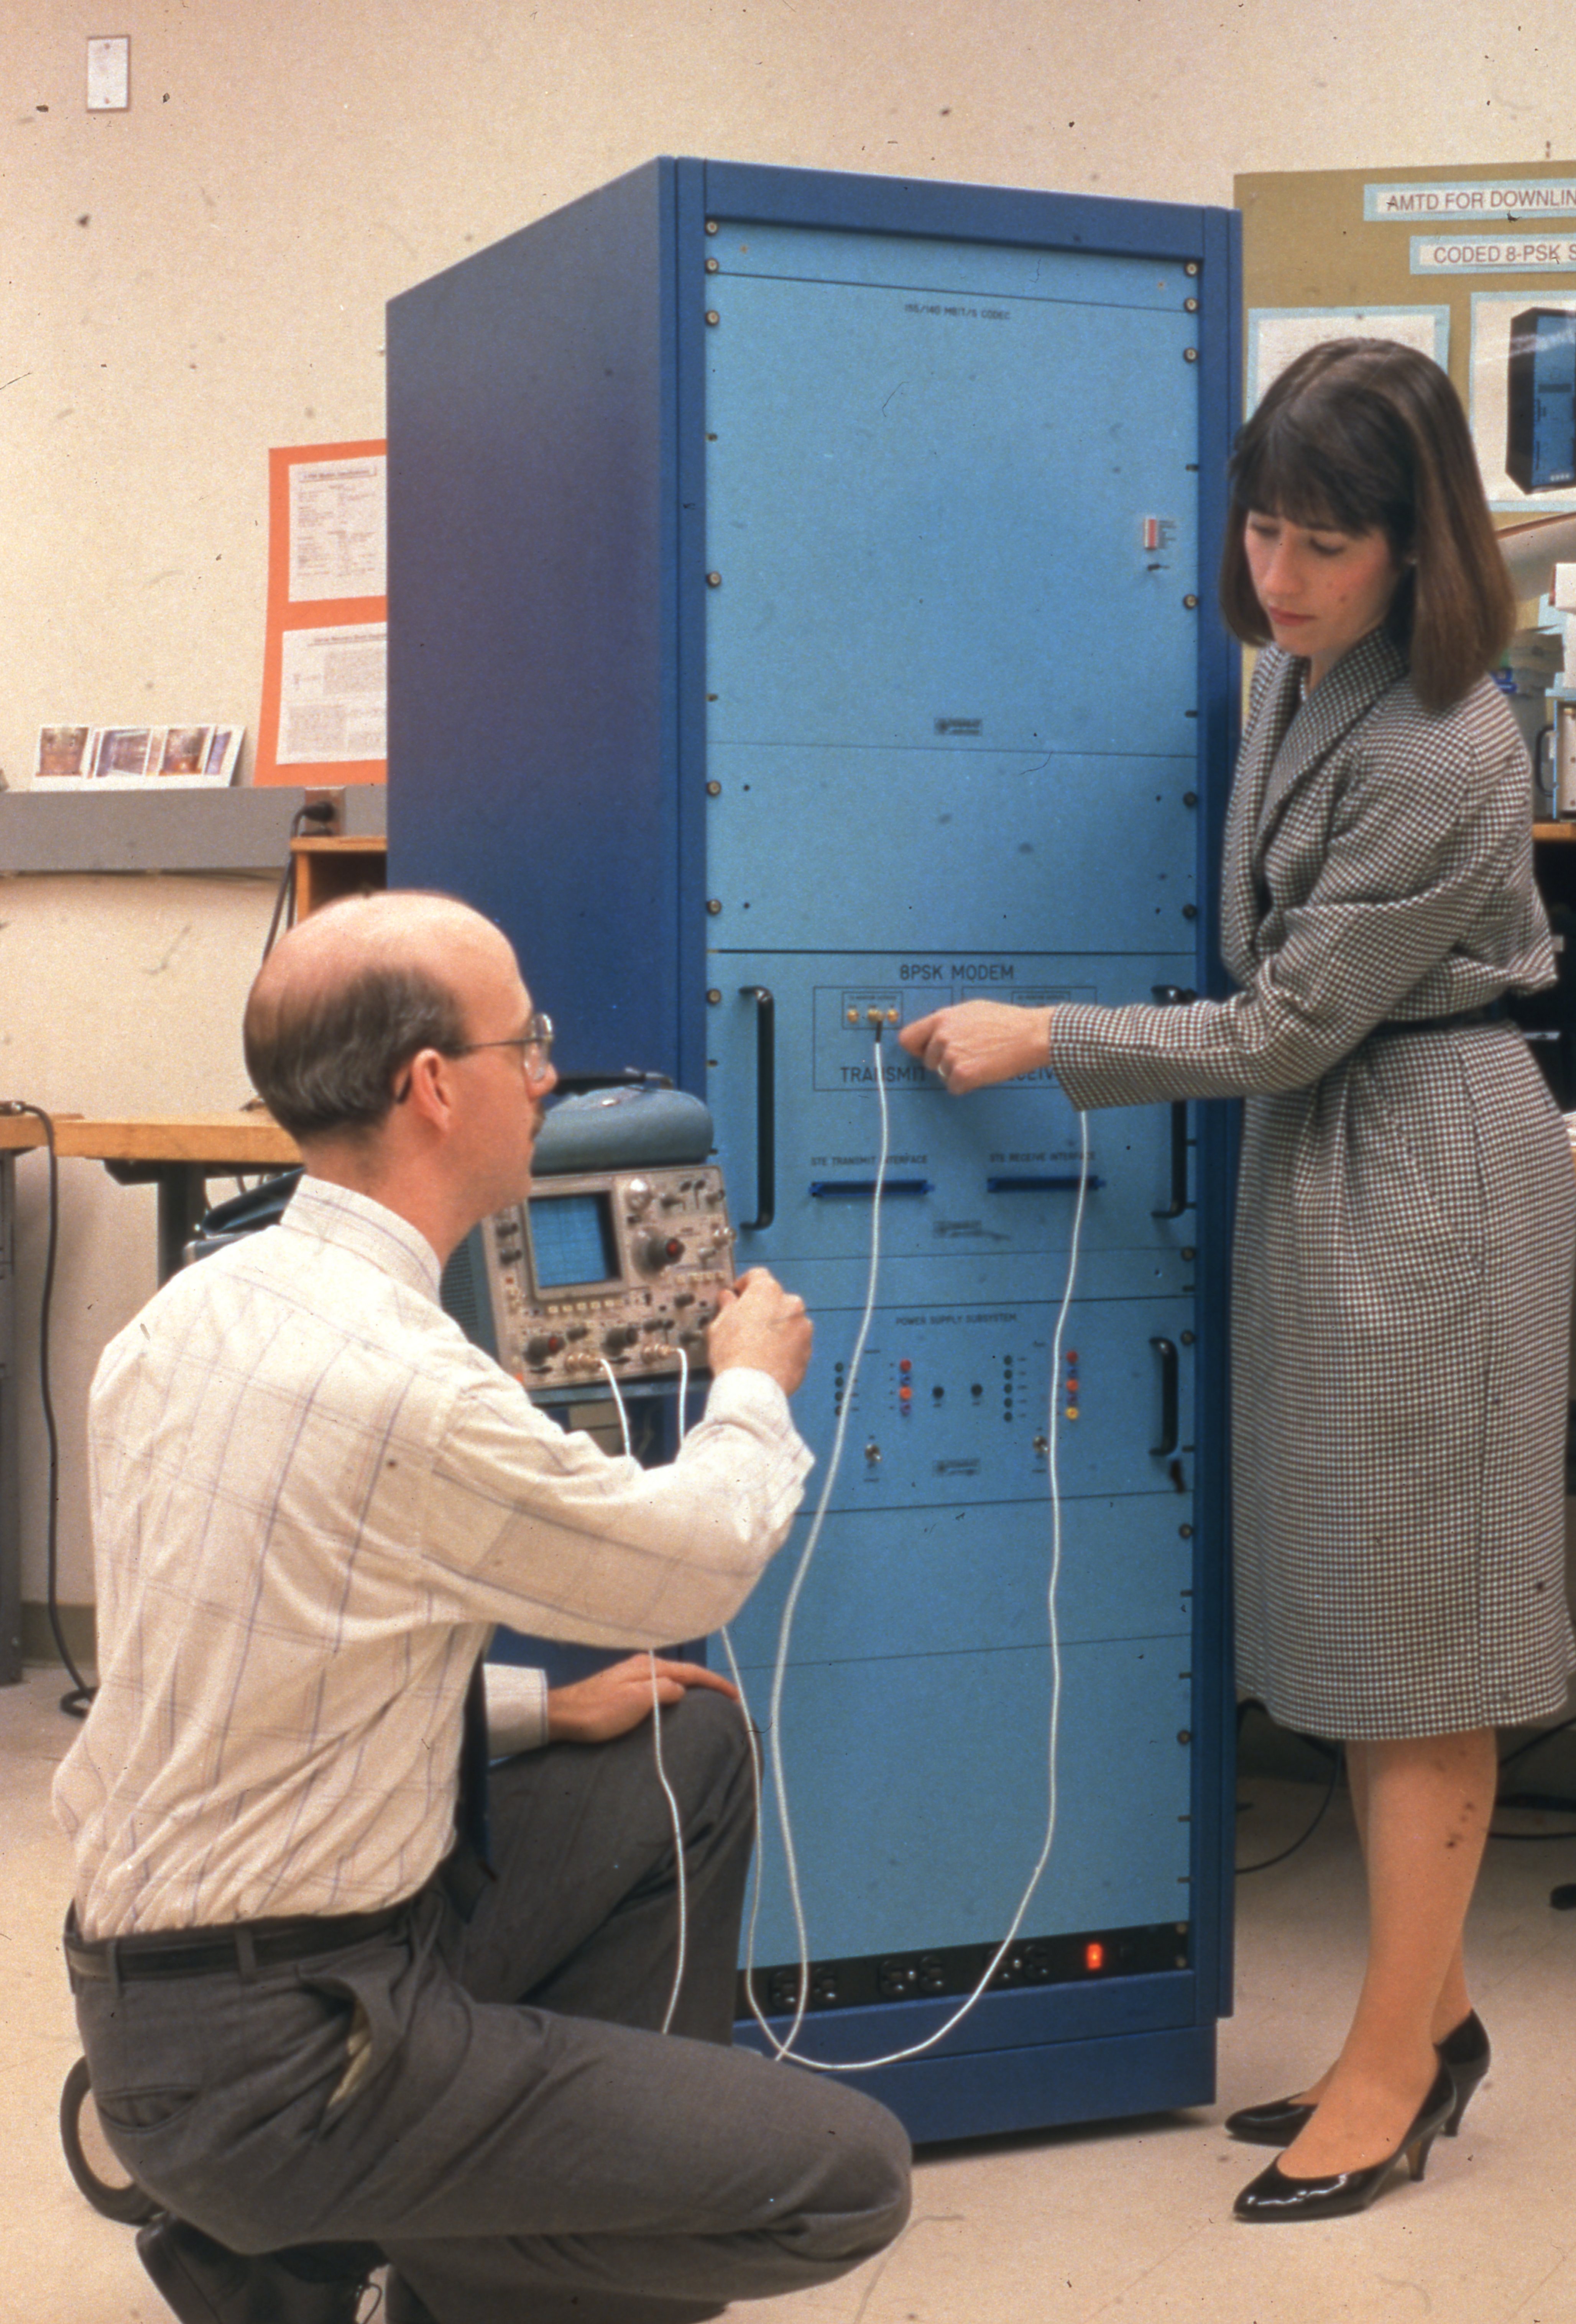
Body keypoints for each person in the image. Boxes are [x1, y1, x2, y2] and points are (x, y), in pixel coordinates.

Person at [899, 338, 1576, 2225]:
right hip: (1331, 1155)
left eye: (1323, 543)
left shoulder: (1446, 742)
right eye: (1262, 528)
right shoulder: (1304, 676)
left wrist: (1048, 1037)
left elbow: (1284, 1021)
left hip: (1423, 1165)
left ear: (1415, 542)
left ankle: (1393, 2072)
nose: (1278, 573)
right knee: (1352, 1615)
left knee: (1420, 1641)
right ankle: (1429, 2020)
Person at [53, 891, 911, 2323]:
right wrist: (752, 1383)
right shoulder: (409, 1388)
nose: (552, 1077)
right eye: (530, 1044)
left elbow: (254, 1655)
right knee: (847, 2179)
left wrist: (533, 1709)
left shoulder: (182, 1318)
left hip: (182, 1987)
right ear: (434, 1088)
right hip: (287, 2046)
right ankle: (353, 2238)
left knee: (684, 1753)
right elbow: (695, 1561)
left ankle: (307, 2223)